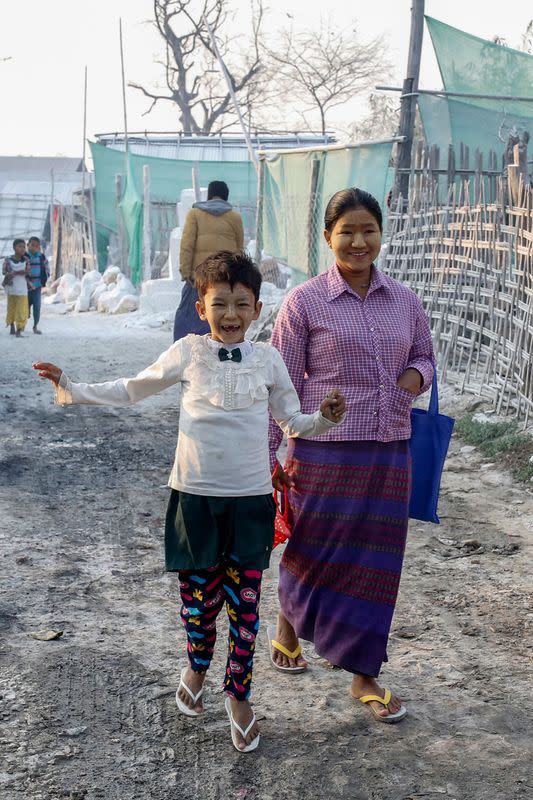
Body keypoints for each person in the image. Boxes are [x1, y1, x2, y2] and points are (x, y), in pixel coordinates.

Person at [33, 250, 346, 753]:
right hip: (195, 502)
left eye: (241, 303)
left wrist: (325, 417)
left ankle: (238, 696)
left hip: (250, 506)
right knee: (200, 608)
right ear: (201, 308)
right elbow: (134, 388)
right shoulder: (188, 351)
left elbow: (293, 423)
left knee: (246, 612)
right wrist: (72, 387)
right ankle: (198, 667)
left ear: (257, 308)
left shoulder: (269, 359)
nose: (230, 314)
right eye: (219, 303)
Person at [268, 188, 435, 724]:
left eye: (369, 231)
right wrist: (272, 453)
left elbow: (425, 356)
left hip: (389, 449)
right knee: (313, 548)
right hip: (322, 451)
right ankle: (289, 623)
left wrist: (413, 379)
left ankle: (364, 672)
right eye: (348, 232)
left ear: (381, 234)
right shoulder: (304, 303)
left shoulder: (405, 300)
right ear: (327, 238)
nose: (359, 242)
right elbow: (283, 386)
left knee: (375, 563)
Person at [173, 181, 244, 342]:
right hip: (226, 278)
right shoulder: (235, 217)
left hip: (199, 278)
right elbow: (239, 250)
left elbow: (187, 245)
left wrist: (186, 272)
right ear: (226, 196)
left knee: (189, 316)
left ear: (209, 195)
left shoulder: (195, 214)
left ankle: (184, 351)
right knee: (220, 314)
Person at [3, 238, 32, 337]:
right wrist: (11, 274)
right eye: (20, 246)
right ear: (14, 248)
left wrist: (15, 273)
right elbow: (4, 272)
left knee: (22, 309)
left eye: (24, 247)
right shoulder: (8, 260)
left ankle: (18, 330)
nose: (22, 249)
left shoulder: (26, 260)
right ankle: (12, 327)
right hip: (11, 288)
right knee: (11, 308)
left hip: (22, 288)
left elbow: (28, 272)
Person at [26, 236, 49, 335]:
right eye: (32, 245)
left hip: (37, 287)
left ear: (39, 247)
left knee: (37, 308)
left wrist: (45, 278)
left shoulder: (41, 256)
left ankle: (35, 326)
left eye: (37, 246)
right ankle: (21, 325)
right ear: (28, 245)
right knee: (24, 308)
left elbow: (47, 268)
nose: (34, 247)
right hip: (26, 288)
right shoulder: (25, 256)